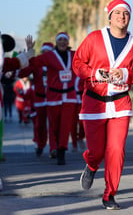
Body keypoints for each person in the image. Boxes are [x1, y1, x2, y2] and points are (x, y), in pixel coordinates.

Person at [72, 0, 133, 210]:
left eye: (125, 14)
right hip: (94, 103)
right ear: (110, 16)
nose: (121, 17)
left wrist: (127, 74)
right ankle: (91, 165)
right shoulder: (94, 38)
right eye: (117, 13)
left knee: (116, 149)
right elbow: (77, 63)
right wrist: (94, 73)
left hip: (120, 103)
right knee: (96, 151)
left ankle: (109, 194)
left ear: (129, 18)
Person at [32, 32, 78, 165]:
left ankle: (61, 151)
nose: (63, 42)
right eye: (60, 40)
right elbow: (34, 62)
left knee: (65, 126)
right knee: (55, 126)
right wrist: (29, 52)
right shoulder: (49, 56)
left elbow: (89, 58)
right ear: (56, 42)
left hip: (69, 97)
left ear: (68, 42)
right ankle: (56, 146)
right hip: (53, 97)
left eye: (65, 39)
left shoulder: (74, 55)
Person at [19, 42, 54, 157]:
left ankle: (54, 148)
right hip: (39, 99)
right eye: (43, 52)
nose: (45, 54)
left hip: (53, 98)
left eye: (47, 52)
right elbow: (23, 73)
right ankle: (40, 144)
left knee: (54, 125)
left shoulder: (56, 63)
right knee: (40, 125)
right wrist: (24, 60)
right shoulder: (37, 63)